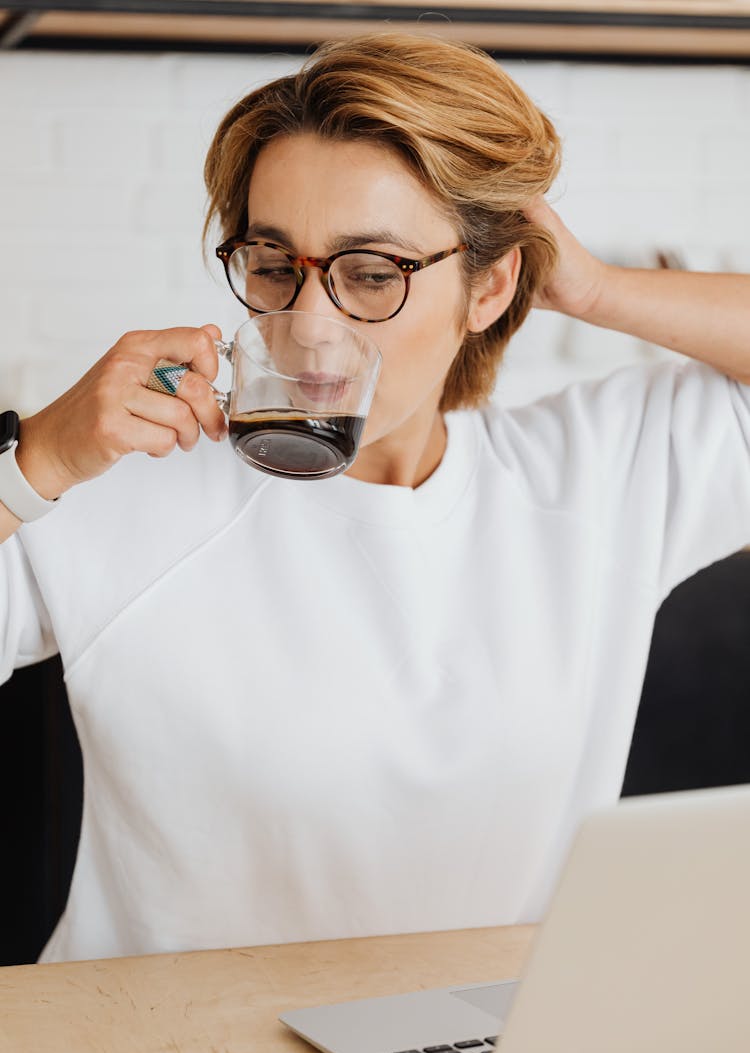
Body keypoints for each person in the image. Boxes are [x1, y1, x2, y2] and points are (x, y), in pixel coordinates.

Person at [1, 31, 749, 965]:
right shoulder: (119, 485)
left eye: (371, 273)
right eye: (275, 265)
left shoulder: (594, 476)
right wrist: (34, 458)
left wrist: (595, 289)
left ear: (492, 284)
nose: (309, 327)